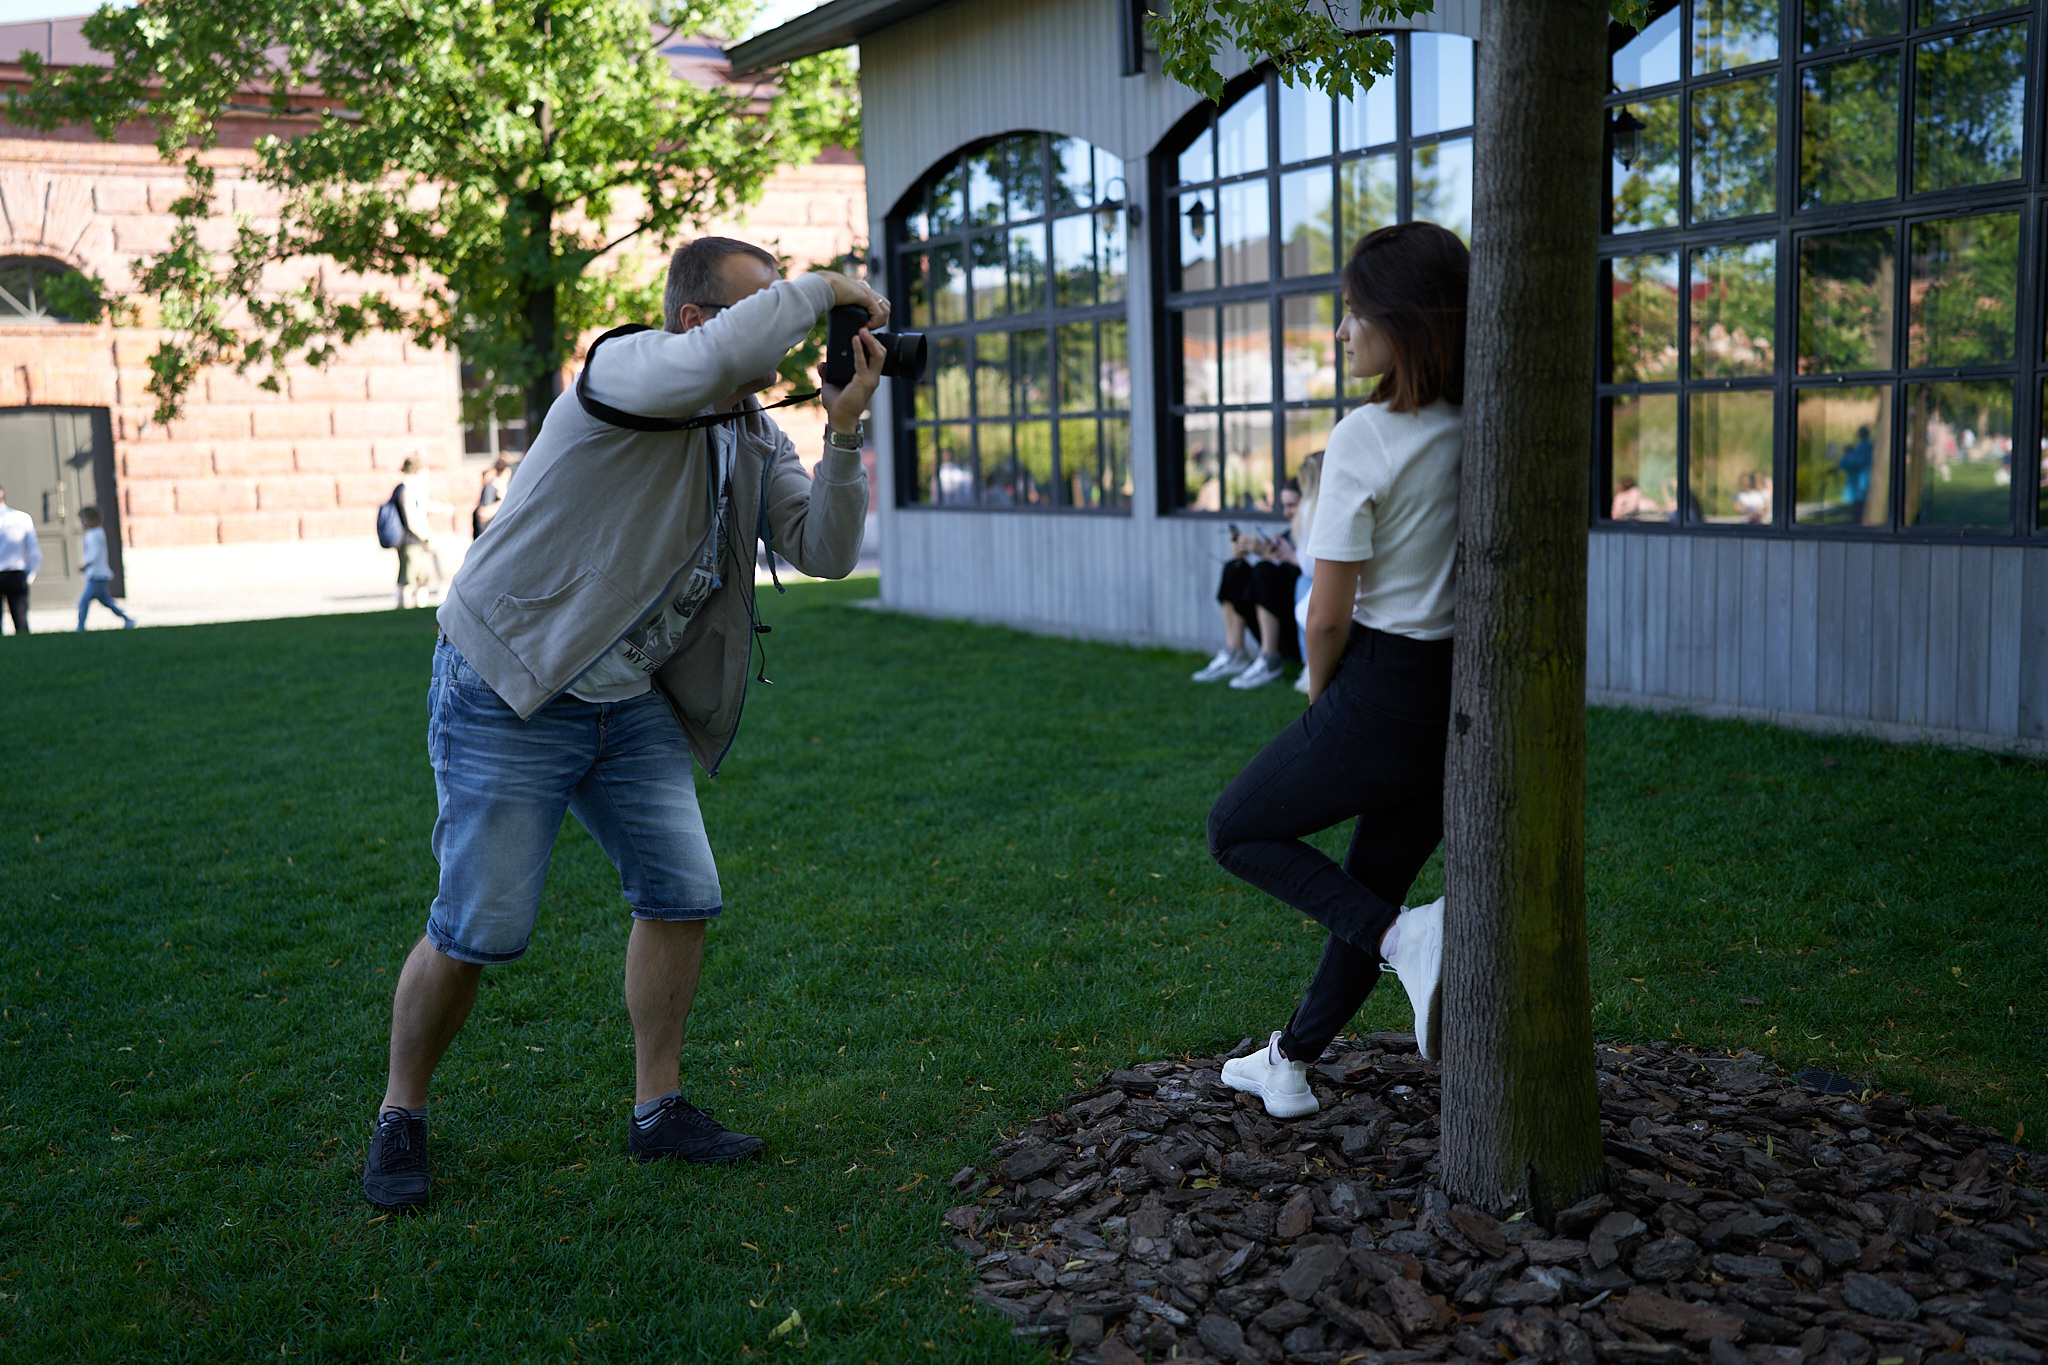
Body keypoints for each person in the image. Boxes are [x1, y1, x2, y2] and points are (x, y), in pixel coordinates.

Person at [360, 237, 885, 1213]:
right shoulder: (622, 370)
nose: (780, 322)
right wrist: (831, 286)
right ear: (696, 322)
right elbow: (722, 354)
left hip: (627, 698)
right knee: (478, 928)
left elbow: (825, 550)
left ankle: (659, 1109)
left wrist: (843, 430)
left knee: (680, 892)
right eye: (756, 307)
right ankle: (401, 1114)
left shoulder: (747, 431)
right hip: (509, 683)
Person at [1205, 221, 1468, 1118]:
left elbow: (1324, 609)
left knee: (1234, 829)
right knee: (1369, 886)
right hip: (1457, 702)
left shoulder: (1366, 434)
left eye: (1356, 314)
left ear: (1406, 320)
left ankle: (1403, 937)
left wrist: (1322, 697)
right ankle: (1289, 1059)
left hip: (1380, 687)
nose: (1344, 332)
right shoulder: (1481, 423)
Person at [1191, 482, 1303, 688]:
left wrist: (1266, 554)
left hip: (1297, 625)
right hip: (1276, 616)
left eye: (1292, 505)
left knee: (1264, 570)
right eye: (1284, 506)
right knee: (1234, 569)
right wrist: (1246, 552)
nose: (1287, 512)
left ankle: (1270, 660)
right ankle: (1235, 652)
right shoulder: (1287, 536)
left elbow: (1309, 572)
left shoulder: (1317, 535)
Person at [391, 457, 451, 609]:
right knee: (409, 581)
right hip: (411, 542)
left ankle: (418, 609)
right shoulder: (405, 490)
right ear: (418, 471)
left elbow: (424, 507)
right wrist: (426, 538)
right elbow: (411, 521)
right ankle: (404, 611)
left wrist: (442, 508)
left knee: (422, 579)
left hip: (418, 542)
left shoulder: (413, 489)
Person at [74, 506, 134, 631]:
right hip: (95, 575)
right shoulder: (93, 534)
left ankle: (80, 627)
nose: (82, 523)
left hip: (97, 575)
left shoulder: (95, 534)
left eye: (83, 520)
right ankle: (127, 619)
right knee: (107, 602)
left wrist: (86, 565)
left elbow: (94, 553)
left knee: (83, 601)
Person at [0, 483, 38, 635]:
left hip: (14, 572)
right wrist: (30, 575)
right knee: (21, 619)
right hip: (17, 574)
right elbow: (34, 551)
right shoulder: (22, 518)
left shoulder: (21, 518)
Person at [472, 458, 512, 540]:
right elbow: (483, 514)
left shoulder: (506, 487)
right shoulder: (491, 487)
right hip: (489, 535)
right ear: (507, 471)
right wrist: (502, 502)